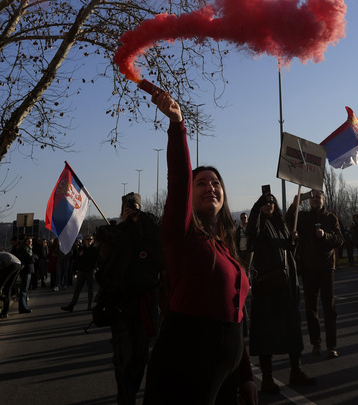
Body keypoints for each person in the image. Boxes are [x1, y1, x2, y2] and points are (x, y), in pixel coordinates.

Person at [142, 88, 256, 405]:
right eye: (202, 183)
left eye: (216, 182)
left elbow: (235, 319)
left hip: (226, 376)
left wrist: (245, 374)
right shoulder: (183, 236)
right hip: (185, 367)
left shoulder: (225, 246)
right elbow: (179, 180)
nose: (211, 187)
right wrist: (178, 124)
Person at [96, 192, 164, 405]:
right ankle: (126, 400)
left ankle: (129, 395)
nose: (131, 209)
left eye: (134, 206)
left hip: (145, 305)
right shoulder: (115, 233)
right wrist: (123, 227)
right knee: (123, 360)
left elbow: (160, 250)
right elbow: (105, 259)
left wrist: (141, 223)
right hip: (121, 306)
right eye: (127, 206)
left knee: (140, 360)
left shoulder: (149, 232)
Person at [249, 191, 313, 392]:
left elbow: (288, 254)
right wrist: (258, 206)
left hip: (287, 286)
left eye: (272, 203)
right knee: (265, 335)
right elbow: (252, 228)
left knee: (293, 332)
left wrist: (292, 241)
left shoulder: (281, 224)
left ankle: (296, 371)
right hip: (267, 288)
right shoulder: (259, 226)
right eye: (265, 203)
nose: (269, 206)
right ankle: (267, 379)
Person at [288, 187, 344, 359]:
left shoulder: (330, 218)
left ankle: (331, 345)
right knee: (311, 308)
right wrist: (294, 205)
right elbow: (287, 222)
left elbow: (340, 240)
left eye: (318, 196)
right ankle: (316, 344)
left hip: (327, 268)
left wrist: (325, 235)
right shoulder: (303, 217)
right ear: (309, 201)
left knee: (329, 308)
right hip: (309, 268)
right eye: (312, 197)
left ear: (324, 200)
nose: (315, 199)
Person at [63, 234, 99, 312]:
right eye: (88, 239)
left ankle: (89, 305)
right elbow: (77, 260)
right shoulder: (82, 249)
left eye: (90, 239)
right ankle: (72, 305)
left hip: (90, 271)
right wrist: (79, 256)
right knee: (77, 289)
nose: (89, 241)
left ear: (92, 241)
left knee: (90, 289)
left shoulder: (94, 249)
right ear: (85, 240)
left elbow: (96, 261)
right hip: (82, 270)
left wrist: (94, 268)